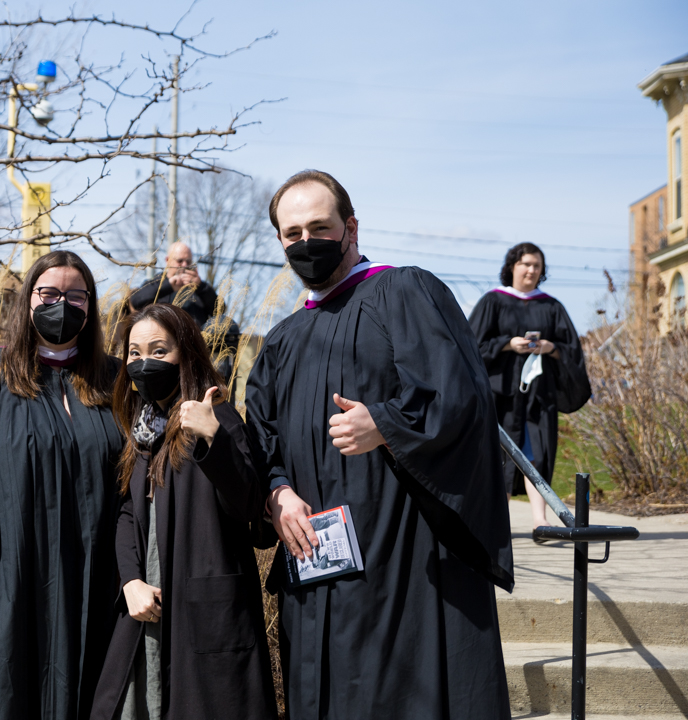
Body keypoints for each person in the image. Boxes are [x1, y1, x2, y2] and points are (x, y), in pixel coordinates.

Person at [244, 170, 514, 719]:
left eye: (319, 226)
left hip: (399, 553)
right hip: (316, 557)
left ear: (351, 228)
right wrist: (276, 491)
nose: (305, 242)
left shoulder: (403, 291)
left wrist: (386, 424)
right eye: (292, 233)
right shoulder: (283, 339)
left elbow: (461, 397)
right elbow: (262, 437)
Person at [0, 251, 125, 720]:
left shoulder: (116, 379)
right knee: (14, 691)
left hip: (98, 574)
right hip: (15, 573)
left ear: (90, 305)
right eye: (49, 293)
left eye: (75, 295)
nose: (62, 303)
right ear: (28, 301)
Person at [90, 303, 275, 720]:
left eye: (159, 351)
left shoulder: (216, 415)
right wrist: (130, 580)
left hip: (203, 610)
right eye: (134, 353)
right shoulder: (141, 425)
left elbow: (248, 505)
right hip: (147, 605)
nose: (143, 362)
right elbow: (127, 511)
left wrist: (212, 438)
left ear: (185, 353)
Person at [468, 243, 591, 533]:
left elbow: (571, 351)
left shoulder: (551, 306)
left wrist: (551, 348)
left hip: (538, 396)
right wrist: (507, 344)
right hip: (501, 396)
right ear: (512, 266)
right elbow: (471, 346)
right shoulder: (493, 302)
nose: (531, 270)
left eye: (537, 265)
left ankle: (540, 520)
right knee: (497, 455)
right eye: (525, 264)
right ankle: (497, 522)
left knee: (537, 454)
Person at [129, 242, 218, 328]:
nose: (184, 265)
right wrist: (168, 286)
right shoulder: (157, 282)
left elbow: (219, 309)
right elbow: (137, 300)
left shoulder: (198, 287)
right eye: (180, 261)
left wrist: (200, 287)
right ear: (168, 260)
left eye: (188, 261)